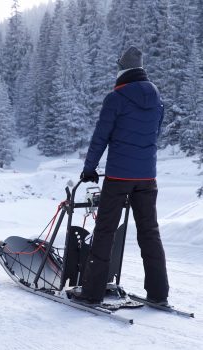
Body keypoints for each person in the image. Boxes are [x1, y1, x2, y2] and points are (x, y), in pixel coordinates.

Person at [70, 46, 169, 305]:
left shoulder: (116, 98)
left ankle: (91, 293)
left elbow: (100, 137)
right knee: (149, 232)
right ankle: (159, 293)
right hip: (147, 177)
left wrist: (89, 168)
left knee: (105, 231)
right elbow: (155, 134)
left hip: (118, 177)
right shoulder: (157, 97)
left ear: (122, 69)